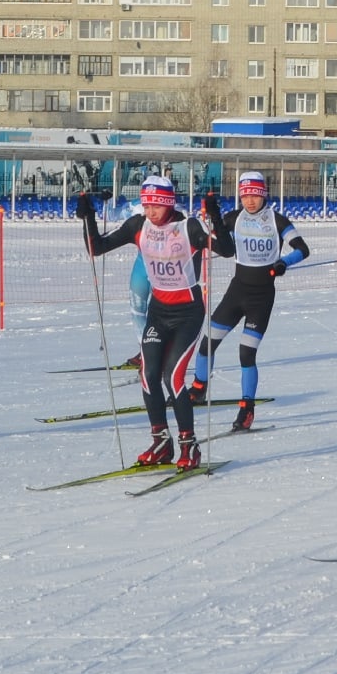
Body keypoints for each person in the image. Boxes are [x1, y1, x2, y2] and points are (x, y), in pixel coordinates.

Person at [79, 174, 217, 467]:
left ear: (168, 203)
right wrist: (88, 216)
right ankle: (161, 442)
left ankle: (189, 445)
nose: (150, 211)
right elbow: (96, 248)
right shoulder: (138, 225)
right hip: (159, 311)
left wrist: (213, 215)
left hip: (188, 314)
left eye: (156, 205)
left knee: (174, 378)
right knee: (148, 375)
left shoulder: (187, 226)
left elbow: (227, 250)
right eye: (146, 205)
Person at [189, 170, 310, 432]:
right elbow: (223, 245)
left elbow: (303, 249)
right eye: (245, 195)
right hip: (237, 291)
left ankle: (247, 408)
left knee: (246, 353)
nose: (250, 201)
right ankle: (199, 386)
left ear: (263, 194)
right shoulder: (234, 218)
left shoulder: (277, 221)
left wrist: (283, 263)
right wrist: (214, 216)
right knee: (208, 342)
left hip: (261, 297)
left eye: (254, 195)